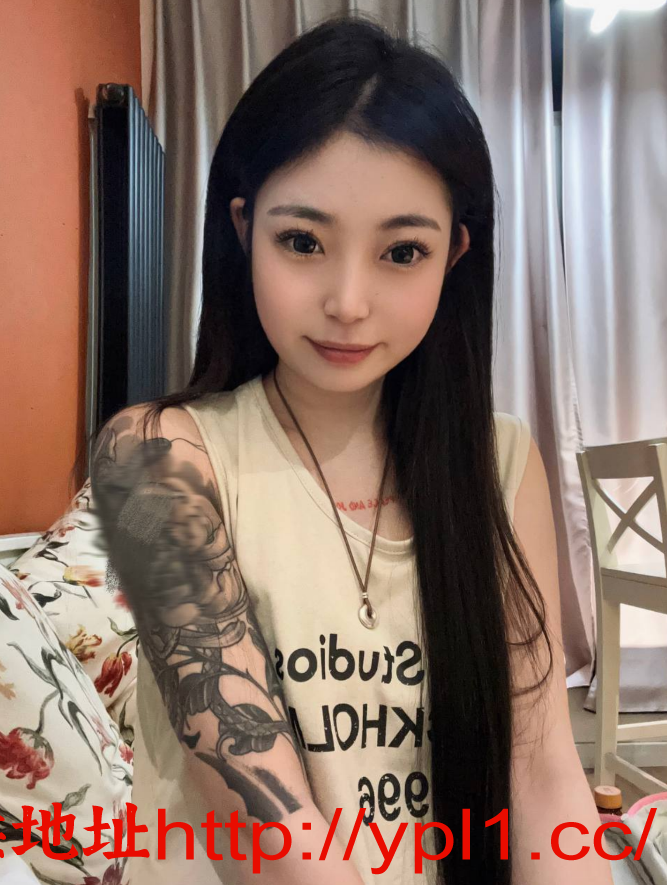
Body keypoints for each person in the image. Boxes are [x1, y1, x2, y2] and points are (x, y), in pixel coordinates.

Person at [89, 14, 613, 885]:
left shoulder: (500, 462)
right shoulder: (156, 458)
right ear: (242, 228)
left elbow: (542, 772)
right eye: (302, 241)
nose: (347, 301)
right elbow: (269, 823)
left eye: (401, 251)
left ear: (454, 256)